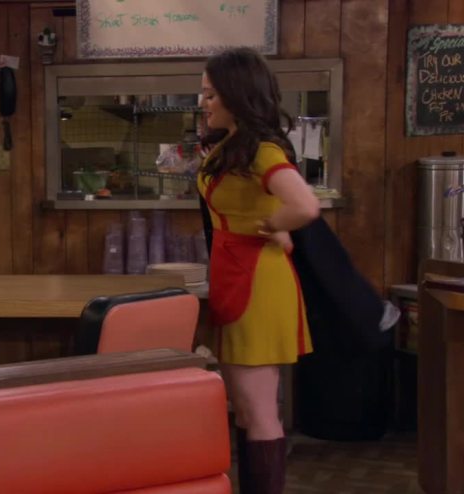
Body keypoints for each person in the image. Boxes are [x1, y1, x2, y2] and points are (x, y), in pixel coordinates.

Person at [197, 48, 320, 494]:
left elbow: (305, 205)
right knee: (246, 411)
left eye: (211, 94)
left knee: (260, 411)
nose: (204, 102)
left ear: (237, 94)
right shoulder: (233, 145)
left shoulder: (262, 150)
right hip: (234, 275)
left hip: (256, 283)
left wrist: (272, 225)